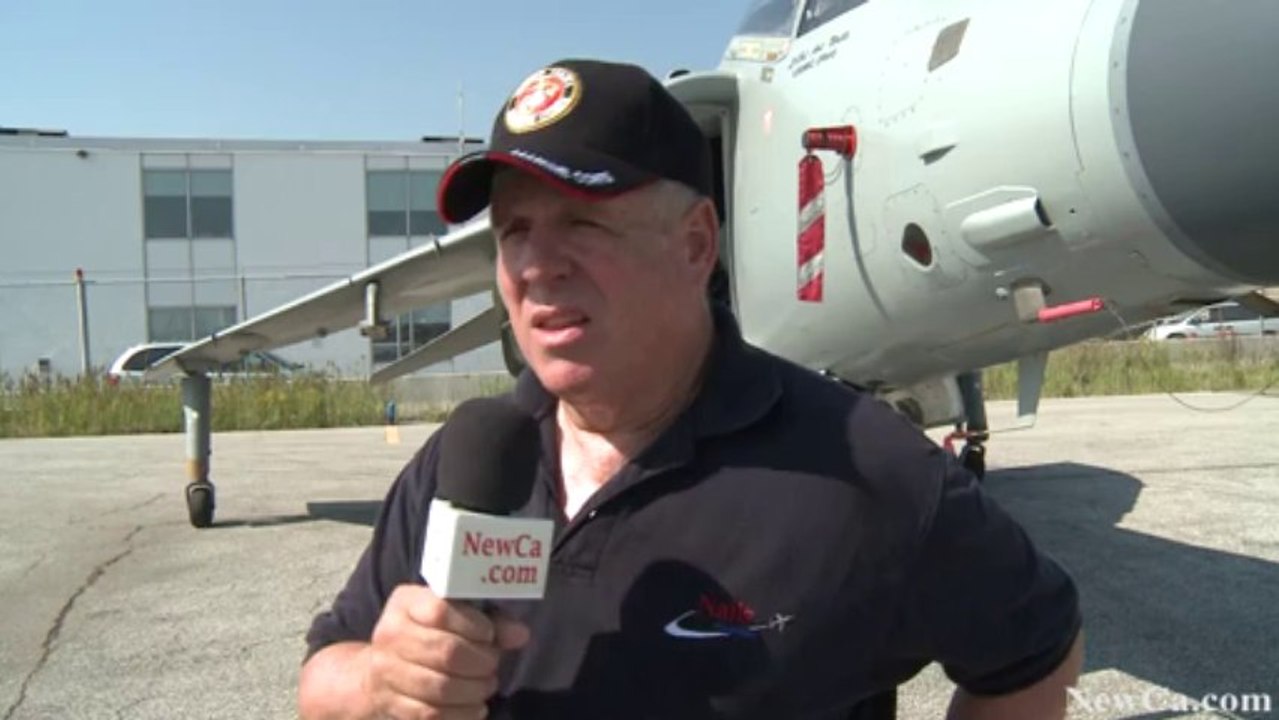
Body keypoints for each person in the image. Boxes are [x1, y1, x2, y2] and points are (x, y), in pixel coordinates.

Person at [297, 58, 1084, 719]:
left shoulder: (866, 467)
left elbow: (1036, 652)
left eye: (582, 222)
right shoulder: (470, 460)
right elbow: (321, 674)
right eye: (514, 232)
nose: (537, 264)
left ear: (696, 242)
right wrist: (377, 680)